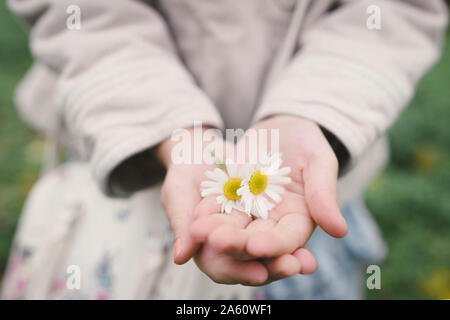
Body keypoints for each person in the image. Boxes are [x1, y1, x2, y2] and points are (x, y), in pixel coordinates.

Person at [1, 0, 447, 299]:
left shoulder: (267, 183)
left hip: (316, 193)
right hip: (123, 160)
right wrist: (171, 128)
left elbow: (395, 10)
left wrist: (311, 111)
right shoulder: (232, 182)